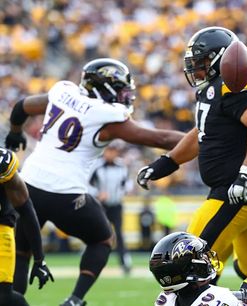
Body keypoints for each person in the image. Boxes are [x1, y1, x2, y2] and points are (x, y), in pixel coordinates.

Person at [5, 58, 185, 306]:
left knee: (22, 252)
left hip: (29, 185)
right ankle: (75, 299)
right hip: (64, 193)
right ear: (105, 88)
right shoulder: (107, 116)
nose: (126, 95)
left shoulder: (62, 93)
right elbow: (160, 138)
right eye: (122, 89)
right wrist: (202, 139)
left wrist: (15, 133)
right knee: (103, 239)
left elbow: (21, 107)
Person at [137, 27, 247, 280]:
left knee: (187, 259)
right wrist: (165, 164)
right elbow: (203, 132)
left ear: (222, 60)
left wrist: (244, 174)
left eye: (201, 63)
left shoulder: (233, 85)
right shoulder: (212, 88)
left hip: (236, 195)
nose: (196, 69)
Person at [0, 147, 54, 306]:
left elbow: (26, 209)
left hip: (1, 229)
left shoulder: (2, 164)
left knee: (4, 298)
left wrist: (39, 259)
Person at [89, 140, 132, 275]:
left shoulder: (121, 166)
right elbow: (87, 184)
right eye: (109, 150)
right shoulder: (97, 166)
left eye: (113, 151)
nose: (111, 153)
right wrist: (97, 193)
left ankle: (124, 263)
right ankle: (94, 262)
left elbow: (127, 183)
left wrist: (123, 191)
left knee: (119, 234)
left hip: (116, 205)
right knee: (99, 234)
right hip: (101, 206)